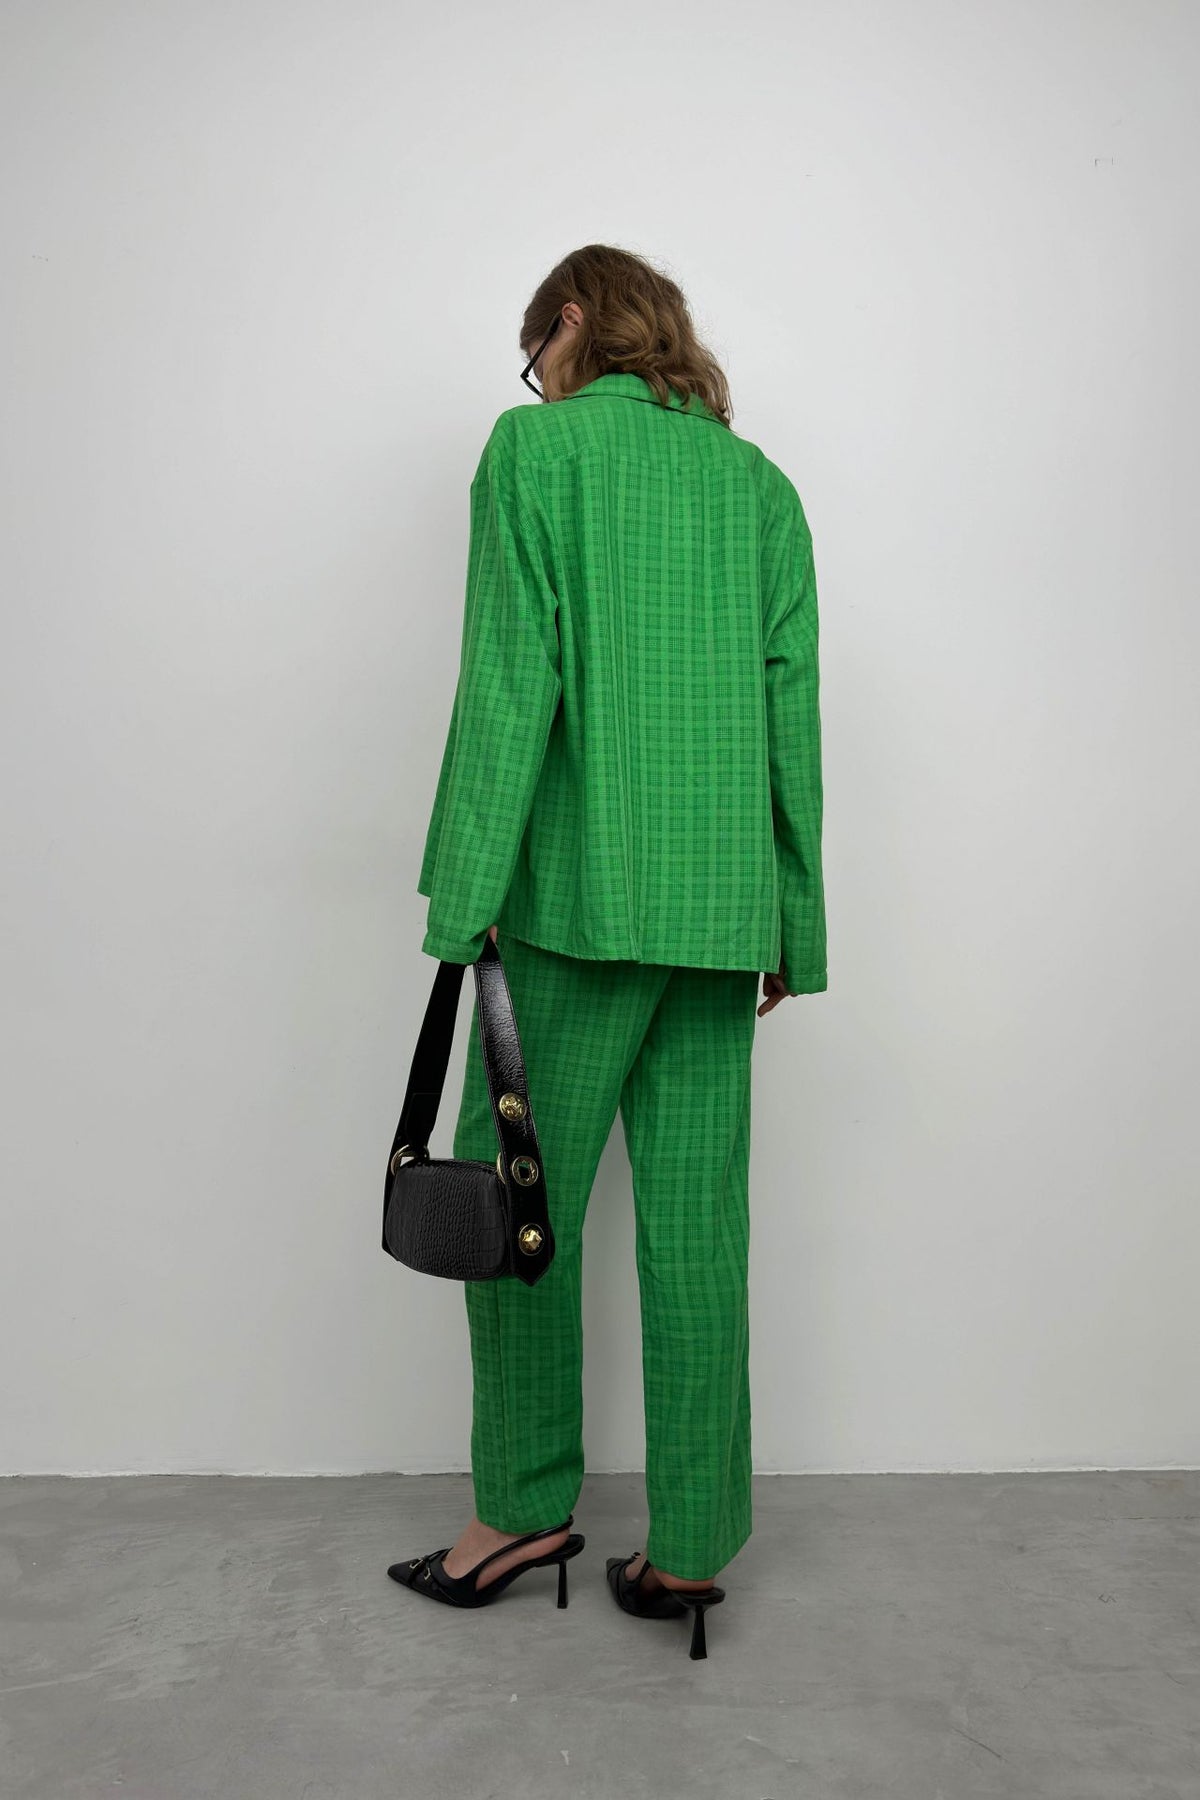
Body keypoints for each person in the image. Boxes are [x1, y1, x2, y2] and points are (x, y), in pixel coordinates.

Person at [387, 244, 826, 1658]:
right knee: (699, 1233)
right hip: (720, 922)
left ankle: (519, 1512)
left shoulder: (536, 453)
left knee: (519, 1216)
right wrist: (793, 922)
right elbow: (792, 720)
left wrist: (462, 898)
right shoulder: (760, 488)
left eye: (540, 356)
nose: (539, 381)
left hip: (573, 913)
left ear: (570, 323)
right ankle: (690, 1549)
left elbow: (510, 685)